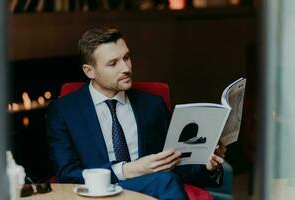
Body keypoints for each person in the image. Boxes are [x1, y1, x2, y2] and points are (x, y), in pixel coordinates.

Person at [46, 27, 227, 199]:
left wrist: (206, 165)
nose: (126, 68)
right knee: (165, 181)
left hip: (151, 188)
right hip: (98, 192)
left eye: (126, 57)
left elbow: (176, 164)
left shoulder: (152, 105)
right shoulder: (64, 111)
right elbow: (66, 174)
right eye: (113, 63)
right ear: (89, 71)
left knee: (167, 179)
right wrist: (129, 169)